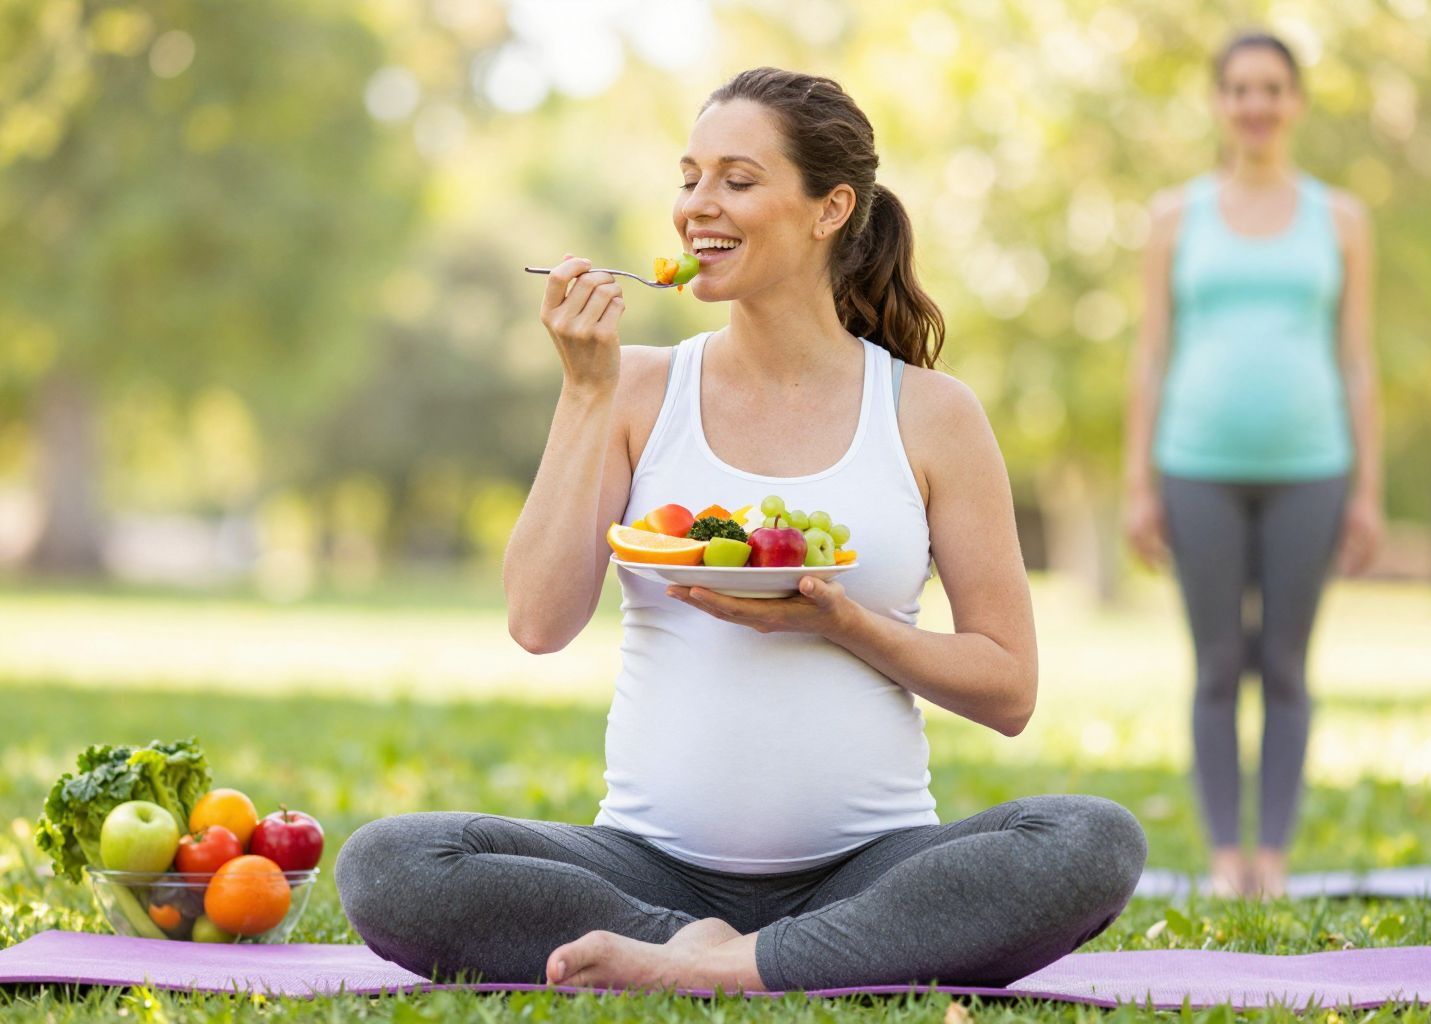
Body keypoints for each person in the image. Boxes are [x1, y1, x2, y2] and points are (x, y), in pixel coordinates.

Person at [338, 67, 1146, 992]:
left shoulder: (931, 413)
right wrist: (587, 391)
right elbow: (537, 621)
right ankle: (703, 949)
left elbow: (1009, 690)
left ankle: (713, 968)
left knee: (1092, 839)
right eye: (689, 178)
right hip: (647, 869)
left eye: (737, 179)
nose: (696, 206)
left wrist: (845, 623)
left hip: (870, 869)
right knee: (390, 864)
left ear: (830, 208)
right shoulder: (634, 388)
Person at [1122, 34, 1382, 899]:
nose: (1256, 104)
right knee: (1217, 664)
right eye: (1239, 88)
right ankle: (1225, 857)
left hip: (1314, 467)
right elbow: (1150, 355)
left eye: (1272, 87)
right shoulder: (1174, 217)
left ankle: (1272, 855)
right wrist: (1137, 484)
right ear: (1219, 102)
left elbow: (1358, 362)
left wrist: (1369, 490)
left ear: (1295, 101)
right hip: (1196, 465)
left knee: (1286, 665)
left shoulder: (1341, 219)